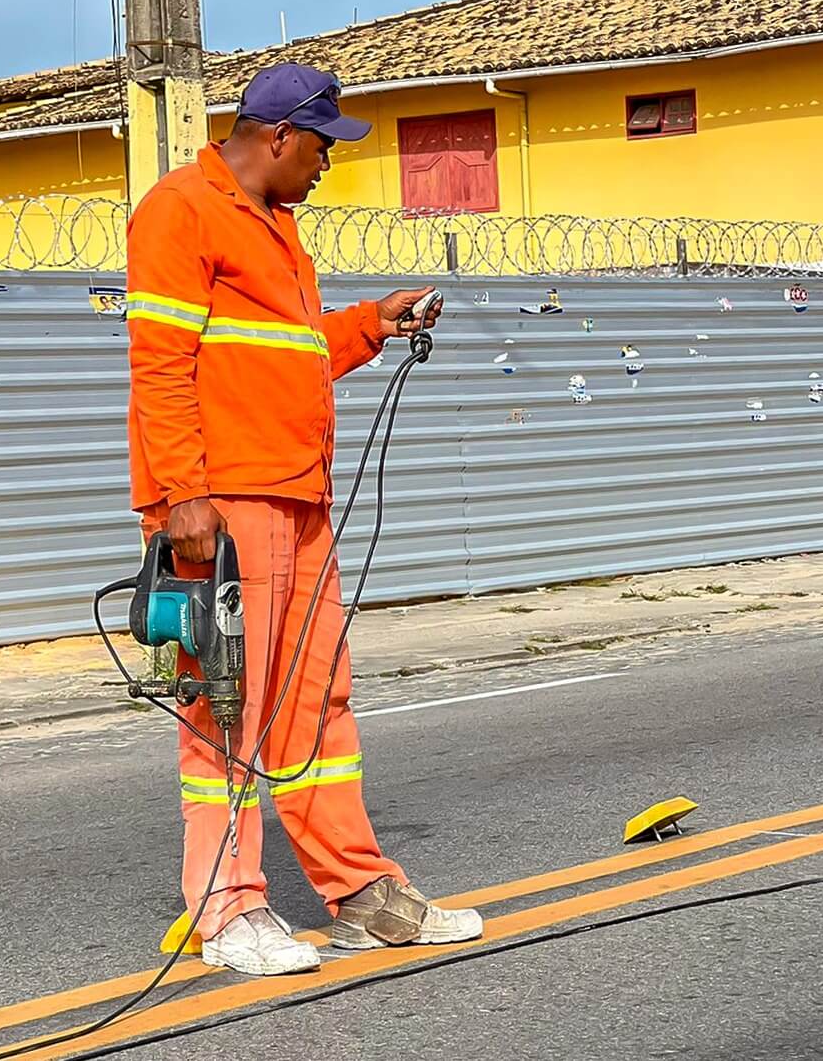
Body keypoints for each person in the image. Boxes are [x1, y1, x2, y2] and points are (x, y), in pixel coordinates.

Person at [126, 62, 482, 977]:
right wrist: (183, 498)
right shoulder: (182, 210)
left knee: (317, 705)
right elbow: (160, 366)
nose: (329, 165)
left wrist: (374, 321)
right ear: (279, 135)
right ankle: (230, 911)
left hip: (297, 495)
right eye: (324, 147)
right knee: (229, 706)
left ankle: (360, 893)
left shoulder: (278, 230)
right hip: (223, 503)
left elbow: (287, 356)